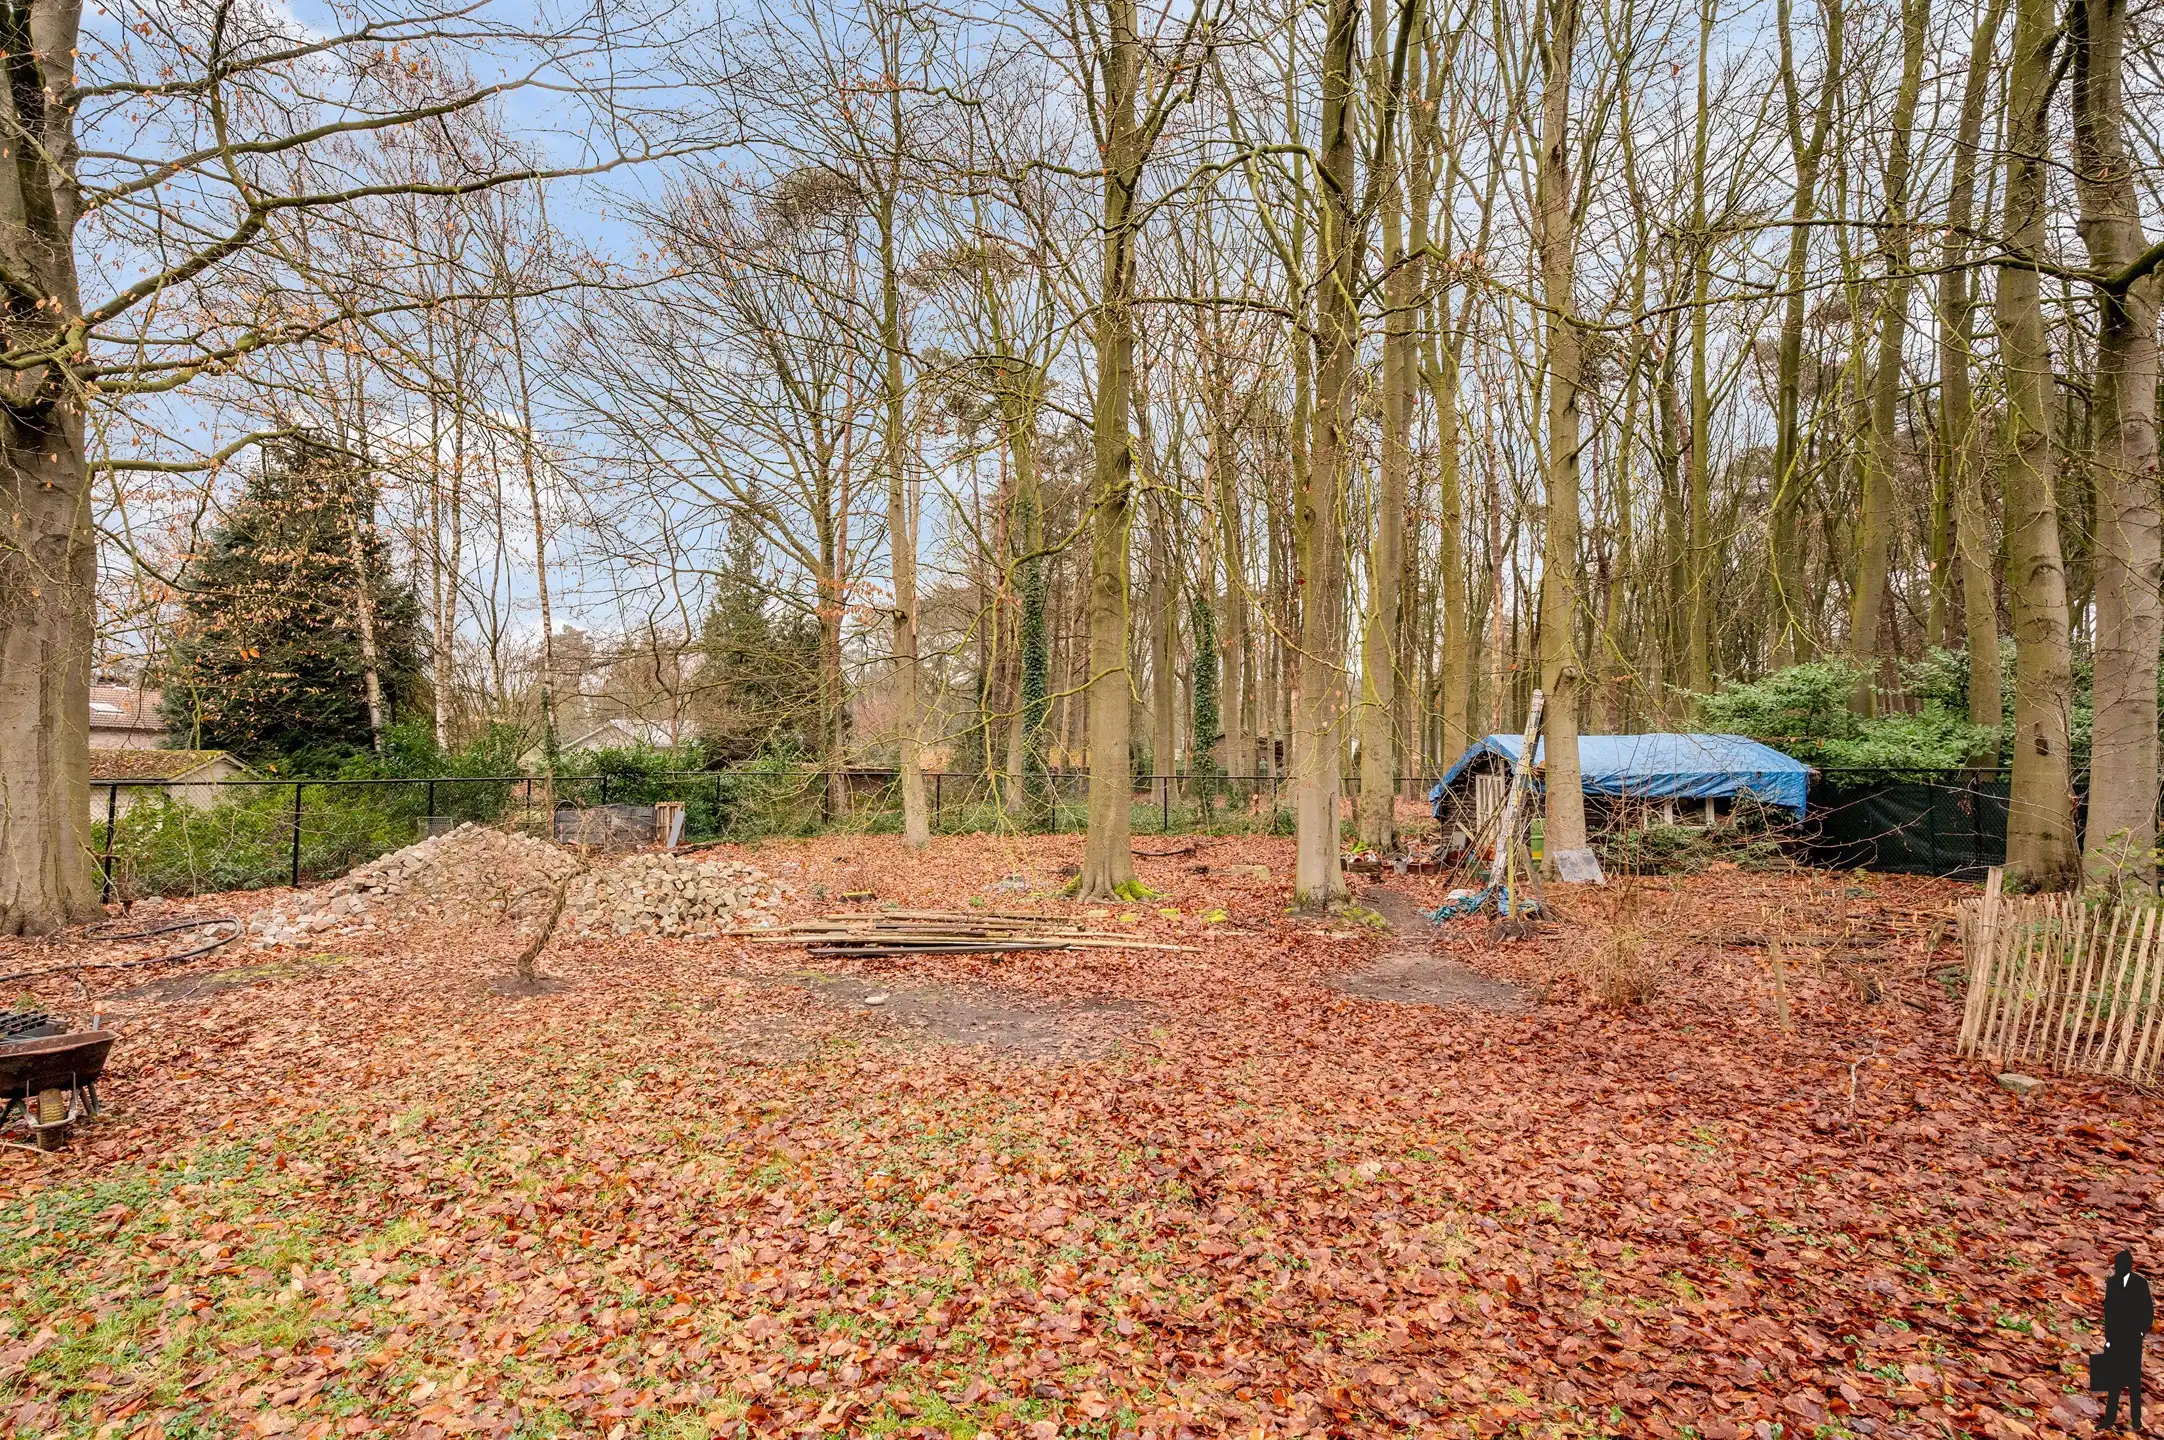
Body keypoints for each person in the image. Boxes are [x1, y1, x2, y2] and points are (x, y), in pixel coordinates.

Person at [2104, 1248, 2154, 1431]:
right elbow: (2108, 1312)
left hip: (2132, 1337)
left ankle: (2136, 1419)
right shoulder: (2113, 1282)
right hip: (2116, 1336)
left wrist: (2141, 1332)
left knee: (2133, 1380)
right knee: (2114, 1379)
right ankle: (2109, 1418)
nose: (2118, 1268)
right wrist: (2108, 1337)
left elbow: (2148, 1311)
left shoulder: (2140, 1283)